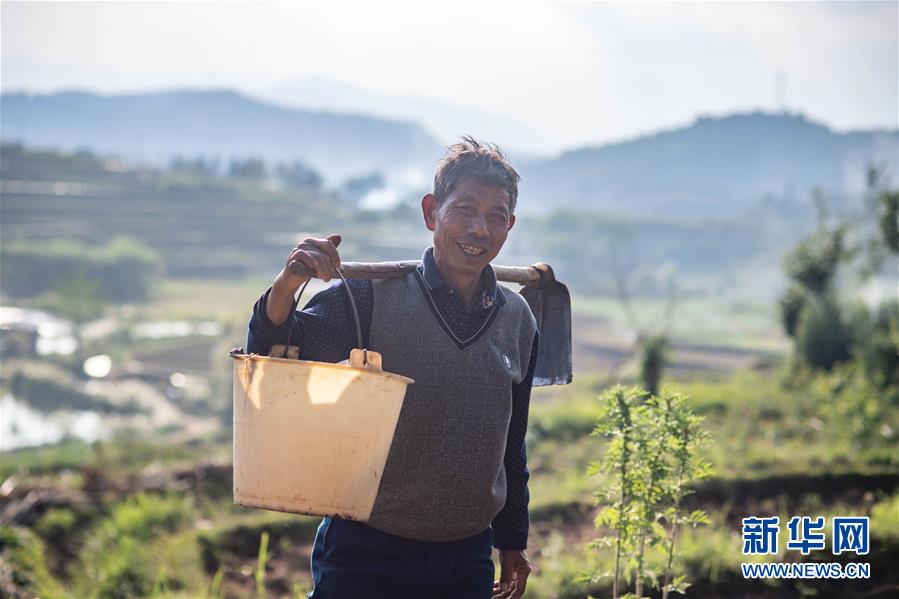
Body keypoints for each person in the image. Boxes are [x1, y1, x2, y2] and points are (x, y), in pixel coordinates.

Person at [247, 137, 538, 599]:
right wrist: (289, 282)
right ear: (431, 212)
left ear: (510, 226)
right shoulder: (372, 299)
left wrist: (512, 541)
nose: (480, 229)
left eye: (496, 215)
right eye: (464, 208)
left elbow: (510, 441)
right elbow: (276, 348)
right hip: (368, 553)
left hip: (467, 557)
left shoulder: (517, 319)